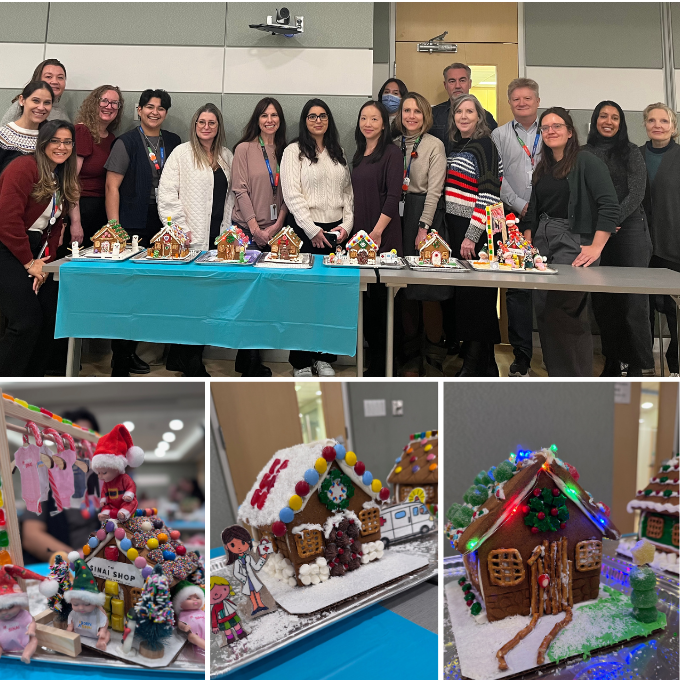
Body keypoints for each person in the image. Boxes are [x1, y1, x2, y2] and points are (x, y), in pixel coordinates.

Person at [524, 107, 619, 377]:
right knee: (543, 310)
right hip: (543, 239)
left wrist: (596, 246)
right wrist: (529, 241)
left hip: (574, 239)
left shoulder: (586, 161)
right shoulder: (543, 166)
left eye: (557, 126)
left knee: (564, 311)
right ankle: (557, 378)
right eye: (545, 127)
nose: (550, 131)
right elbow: (533, 208)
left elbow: (609, 206)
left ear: (569, 132)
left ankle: (577, 382)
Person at [104, 89, 181, 377]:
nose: (155, 112)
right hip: (131, 223)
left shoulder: (173, 142)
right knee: (128, 292)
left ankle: (134, 351)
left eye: (161, 108)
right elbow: (112, 187)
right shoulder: (126, 142)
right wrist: (115, 228)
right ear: (139, 110)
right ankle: (120, 358)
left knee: (152, 291)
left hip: (163, 223)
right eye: (149, 107)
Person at [157, 103, 234, 378]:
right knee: (187, 303)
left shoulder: (226, 156)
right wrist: (180, 228)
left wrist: (226, 231)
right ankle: (189, 364)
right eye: (202, 121)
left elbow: (230, 198)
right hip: (189, 239)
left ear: (218, 127)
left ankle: (186, 359)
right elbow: (166, 194)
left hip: (216, 241)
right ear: (195, 124)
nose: (206, 127)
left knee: (207, 304)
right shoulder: (182, 153)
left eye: (212, 122)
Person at [0, 120, 79, 377]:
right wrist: (28, 263)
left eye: (67, 142)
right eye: (55, 140)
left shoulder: (60, 176)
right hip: (7, 247)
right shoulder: (24, 167)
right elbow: (7, 220)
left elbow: (55, 226)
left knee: (50, 316)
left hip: (36, 253)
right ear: (43, 142)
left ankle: (32, 384)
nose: (61, 146)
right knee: (25, 322)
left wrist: (44, 264)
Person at [281, 98, 353, 377]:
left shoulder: (339, 151)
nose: (318, 120)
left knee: (329, 299)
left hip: (336, 232)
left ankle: (324, 358)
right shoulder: (293, 151)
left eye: (323, 116)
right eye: (312, 116)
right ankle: (300, 361)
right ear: (305, 120)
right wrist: (312, 230)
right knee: (302, 298)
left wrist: (346, 226)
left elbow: (348, 194)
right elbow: (292, 193)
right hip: (305, 231)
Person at [583, 101, 652, 377]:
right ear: (595, 120)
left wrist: (612, 220)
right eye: (603, 116)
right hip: (597, 231)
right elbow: (582, 192)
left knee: (633, 302)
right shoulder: (584, 153)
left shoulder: (631, 151)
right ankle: (613, 362)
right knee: (604, 303)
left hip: (630, 230)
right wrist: (602, 225)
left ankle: (641, 365)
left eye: (614, 117)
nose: (608, 121)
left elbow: (636, 193)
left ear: (621, 123)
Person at [444, 94, 504, 377]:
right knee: (468, 298)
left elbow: (489, 197)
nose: (464, 116)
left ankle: (472, 364)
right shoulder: (459, 145)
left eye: (470, 111)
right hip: (459, 227)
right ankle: (487, 365)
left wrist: (471, 235)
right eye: (459, 112)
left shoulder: (485, 146)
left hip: (477, 232)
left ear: (479, 117)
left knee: (477, 299)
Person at [231, 97, 289, 378]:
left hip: (275, 232)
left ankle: (248, 359)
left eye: (274, 115)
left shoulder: (287, 151)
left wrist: (276, 226)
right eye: (264, 115)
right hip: (246, 231)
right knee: (247, 299)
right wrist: (255, 230)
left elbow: (288, 193)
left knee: (265, 299)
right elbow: (239, 191)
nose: (270, 120)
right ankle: (248, 363)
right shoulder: (243, 149)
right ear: (257, 119)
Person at [392, 92, 447, 376]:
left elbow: (435, 190)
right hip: (398, 217)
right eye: (406, 111)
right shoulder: (393, 145)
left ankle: (434, 353)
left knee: (428, 289)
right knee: (403, 288)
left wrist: (423, 227)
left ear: (425, 115)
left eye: (417, 111)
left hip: (424, 216)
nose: (411, 116)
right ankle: (410, 354)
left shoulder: (434, 145)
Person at [491, 78, 542, 377]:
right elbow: (498, 177)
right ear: (509, 103)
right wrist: (520, 204)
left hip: (548, 218)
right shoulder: (499, 135)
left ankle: (551, 347)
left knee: (552, 286)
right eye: (516, 99)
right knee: (517, 289)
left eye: (527, 98)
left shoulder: (550, 128)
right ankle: (521, 354)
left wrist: (536, 208)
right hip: (511, 215)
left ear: (537, 100)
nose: (522, 103)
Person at [351, 100, 402, 376]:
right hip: (360, 238)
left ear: (384, 123)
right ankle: (374, 362)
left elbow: (394, 197)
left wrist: (377, 232)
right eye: (364, 118)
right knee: (367, 304)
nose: (368, 123)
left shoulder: (392, 153)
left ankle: (385, 367)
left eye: (374, 119)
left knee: (384, 305)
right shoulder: (359, 154)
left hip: (383, 236)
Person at [640, 102, 680, 376]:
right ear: (645, 124)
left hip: (673, 242)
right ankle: (643, 364)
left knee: (674, 309)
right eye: (652, 120)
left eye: (664, 121)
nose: (658, 125)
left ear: (673, 126)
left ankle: (675, 362)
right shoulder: (635, 155)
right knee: (641, 307)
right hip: (640, 244)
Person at [67, 85, 124, 249]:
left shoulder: (112, 139)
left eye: (115, 103)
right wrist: (75, 223)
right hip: (81, 209)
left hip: (101, 209)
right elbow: (71, 181)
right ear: (94, 103)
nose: (109, 106)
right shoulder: (82, 132)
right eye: (104, 101)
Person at [432, 63, 497, 152]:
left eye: (462, 80)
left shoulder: (486, 117)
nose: (457, 86)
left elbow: (494, 150)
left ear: (470, 83)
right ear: (445, 85)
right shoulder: (433, 115)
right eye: (452, 81)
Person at [0, 81, 53, 174]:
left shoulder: (52, 136)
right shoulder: (3, 136)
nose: (41, 107)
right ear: (22, 100)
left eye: (47, 102)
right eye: (36, 101)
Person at [0, 59, 68, 126]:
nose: (55, 81)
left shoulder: (61, 110)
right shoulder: (21, 106)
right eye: (48, 77)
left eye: (60, 77)